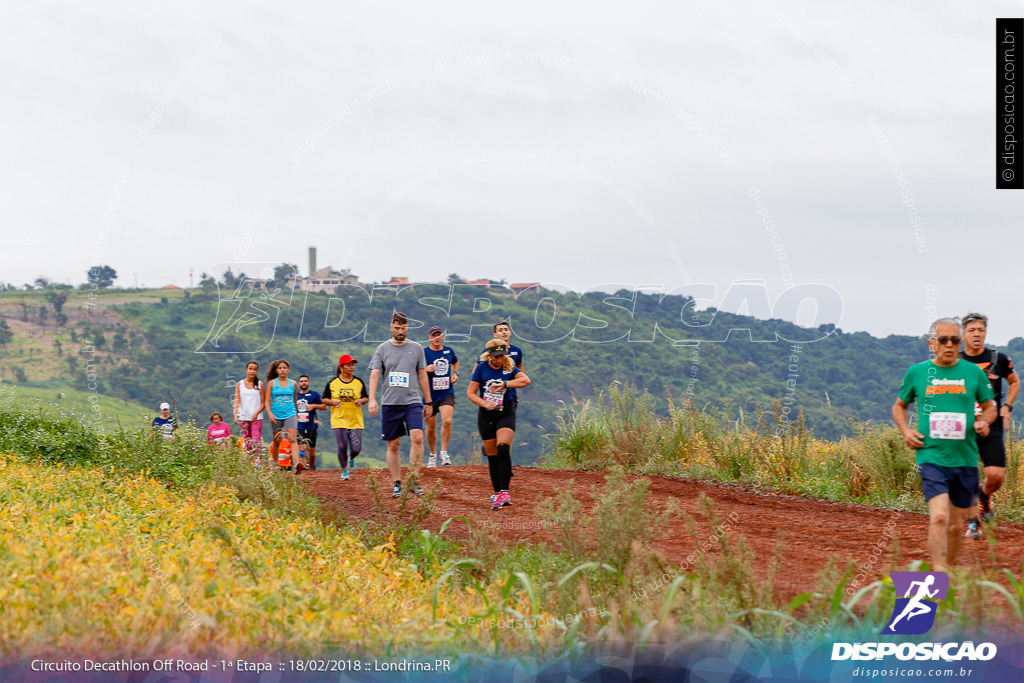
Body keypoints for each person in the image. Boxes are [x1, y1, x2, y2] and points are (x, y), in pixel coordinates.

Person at [892, 317, 996, 570]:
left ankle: (946, 573)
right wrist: (906, 431)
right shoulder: (917, 373)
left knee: (956, 525)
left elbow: (990, 405)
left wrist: (985, 421)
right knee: (939, 517)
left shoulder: (973, 373)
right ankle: (939, 574)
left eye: (955, 340)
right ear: (932, 343)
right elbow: (899, 406)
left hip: (965, 459)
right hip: (931, 457)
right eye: (943, 340)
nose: (949, 344)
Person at [960, 312, 1019, 538]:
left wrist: (1007, 406)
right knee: (967, 477)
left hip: (991, 424)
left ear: (985, 333)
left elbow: (1014, 382)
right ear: (964, 334)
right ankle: (973, 524)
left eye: (981, 330)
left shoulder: (998, 359)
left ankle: (984, 497)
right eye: (972, 330)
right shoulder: (955, 362)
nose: (977, 334)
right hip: (962, 428)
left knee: (995, 476)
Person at [368, 312, 433, 497]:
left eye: (403, 327)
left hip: (412, 400)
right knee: (393, 445)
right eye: (397, 327)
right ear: (391, 327)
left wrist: (428, 401)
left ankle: (413, 479)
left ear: (407, 327)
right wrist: (372, 399)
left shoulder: (417, 348)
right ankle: (397, 483)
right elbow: (374, 373)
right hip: (390, 402)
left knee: (418, 437)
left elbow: (422, 374)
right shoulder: (382, 349)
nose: (400, 331)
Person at [467, 338, 531, 509]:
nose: (499, 359)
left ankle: (505, 491)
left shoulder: (509, 367)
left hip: (506, 412)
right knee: (492, 455)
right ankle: (497, 494)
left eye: (502, 356)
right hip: (487, 414)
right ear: (490, 355)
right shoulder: (481, 368)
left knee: (503, 447)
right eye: (496, 356)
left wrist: (505, 383)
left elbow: (526, 380)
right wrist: (485, 403)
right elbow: (471, 393)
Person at [322, 354, 369, 481]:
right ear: (341, 367)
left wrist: (361, 401)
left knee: (356, 448)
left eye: (352, 364)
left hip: (355, 419)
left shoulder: (358, 382)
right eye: (348, 365)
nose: (352, 367)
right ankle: (344, 471)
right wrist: (332, 402)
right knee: (342, 446)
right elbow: (324, 399)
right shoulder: (333, 383)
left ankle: (351, 458)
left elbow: (366, 397)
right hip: (339, 419)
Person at [423, 325, 459, 467]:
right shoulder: (424, 352)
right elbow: (416, 370)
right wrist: (426, 369)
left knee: (447, 421)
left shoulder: (449, 351)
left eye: (438, 335)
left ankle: (444, 452)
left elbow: (455, 362)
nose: (436, 338)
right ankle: (433, 454)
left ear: (442, 336)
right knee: (431, 427)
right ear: (429, 337)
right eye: (433, 335)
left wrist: (456, 373)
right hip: (430, 395)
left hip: (446, 393)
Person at [263, 359, 301, 472]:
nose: (282, 370)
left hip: (291, 413)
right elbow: (267, 401)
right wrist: (269, 414)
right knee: (277, 441)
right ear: (276, 370)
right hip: (276, 414)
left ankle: (297, 463)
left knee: (292, 439)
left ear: (288, 369)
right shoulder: (271, 383)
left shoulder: (293, 383)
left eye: (284, 368)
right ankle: (274, 465)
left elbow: (295, 400)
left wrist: (297, 414)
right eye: (280, 368)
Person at [233, 361, 265, 462]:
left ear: (257, 371)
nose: (252, 371)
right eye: (250, 369)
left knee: (255, 440)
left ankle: (259, 462)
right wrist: (235, 412)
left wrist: (256, 413)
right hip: (243, 417)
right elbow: (237, 399)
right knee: (247, 442)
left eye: (254, 369)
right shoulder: (240, 384)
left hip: (257, 417)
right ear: (246, 370)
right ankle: (248, 465)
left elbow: (264, 403)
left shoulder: (260, 384)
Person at [296, 374, 325, 470]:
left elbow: (324, 407)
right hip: (299, 426)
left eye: (305, 381)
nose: (303, 383)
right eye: (301, 381)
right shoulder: (295, 395)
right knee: (302, 449)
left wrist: (314, 406)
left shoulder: (314, 394)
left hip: (312, 426)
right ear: (299, 383)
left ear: (309, 383)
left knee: (312, 451)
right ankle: (303, 467)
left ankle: (311, 469)